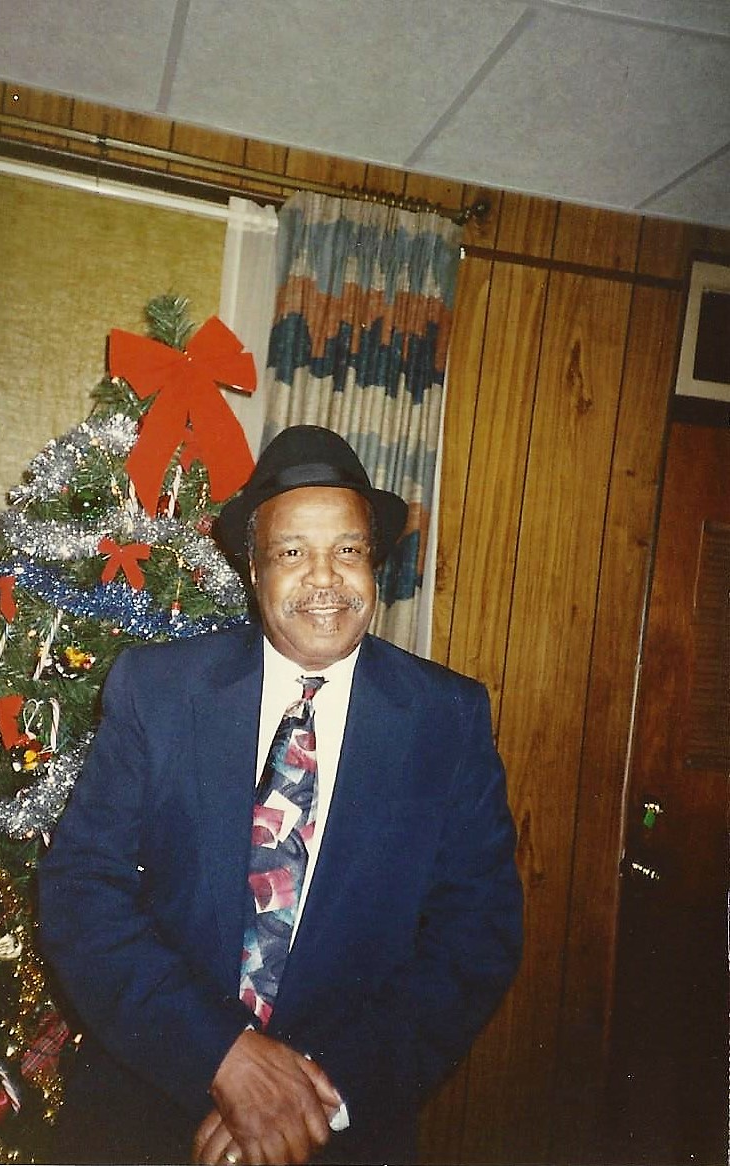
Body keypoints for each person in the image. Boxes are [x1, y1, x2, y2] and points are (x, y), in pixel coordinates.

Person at [39, 424, 523, 1166]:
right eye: (292, 552)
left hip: (336, 1132)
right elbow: (81, 890)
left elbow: (474, 937)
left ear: (374, 564)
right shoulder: (158, 691)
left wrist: (308, 1100)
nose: (324, 579)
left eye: (348, 550)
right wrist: (223, 1060)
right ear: (254, 569)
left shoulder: (446, 719)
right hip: (148, 1111)